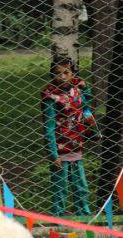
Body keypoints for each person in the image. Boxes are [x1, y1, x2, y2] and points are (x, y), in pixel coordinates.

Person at [40, 57, 100, 217]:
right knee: (60, 188)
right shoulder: (50, 96)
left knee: (81, 187)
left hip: (76, 145)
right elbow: (49, 127)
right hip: (60, 149)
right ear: (52, 75)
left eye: (67, 72)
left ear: (73, 73)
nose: (63, 77)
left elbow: (86, 107)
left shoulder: (77, 90)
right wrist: (53, 154)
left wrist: (85, 89)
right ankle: (58, 219)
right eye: (58, 73)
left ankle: (84, 216)